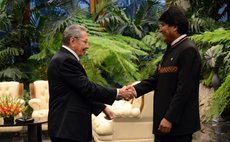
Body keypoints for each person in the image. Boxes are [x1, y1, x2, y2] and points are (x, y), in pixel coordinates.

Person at [47, 24, 135, 142]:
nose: (87, 46)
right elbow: (87, 88)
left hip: (68, 129)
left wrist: (102, 107)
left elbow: (79, 91)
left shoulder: (64, 58)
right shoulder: (65, 60)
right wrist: (118, 92)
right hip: (67, 128)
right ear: (73, 40)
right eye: (85, 42)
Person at [127, 6, 201, 142]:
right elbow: (156, 79)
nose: (160, 29)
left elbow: (184, 90)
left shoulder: (188, 50)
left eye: (163, 25)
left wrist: (169, 118)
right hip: (164, 125)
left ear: (175, 27)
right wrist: (134, 90)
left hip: (177, 127)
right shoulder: (172, 48)